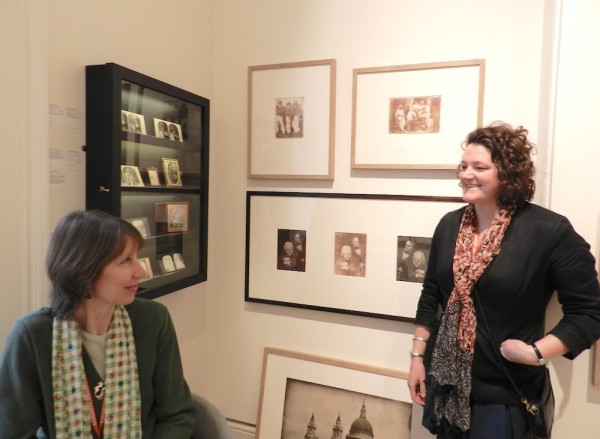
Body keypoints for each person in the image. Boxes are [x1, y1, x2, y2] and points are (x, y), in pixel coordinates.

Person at [407, 122, 600, 438]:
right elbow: (431, 295)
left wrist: (535, 353)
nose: (466, 174)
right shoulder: (449, 225)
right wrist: (417, 359)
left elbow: (590, 313)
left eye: (479, 167)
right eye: (464, 166)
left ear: (507, 173)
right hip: (447, 386)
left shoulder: (547, 231)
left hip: (505, 396)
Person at [0, 209, 196, 438]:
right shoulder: (32, 334)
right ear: (83, 268)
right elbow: (12, 432)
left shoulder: (153, 319)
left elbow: (177, 416)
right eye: (126, 261)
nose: (141, 271)